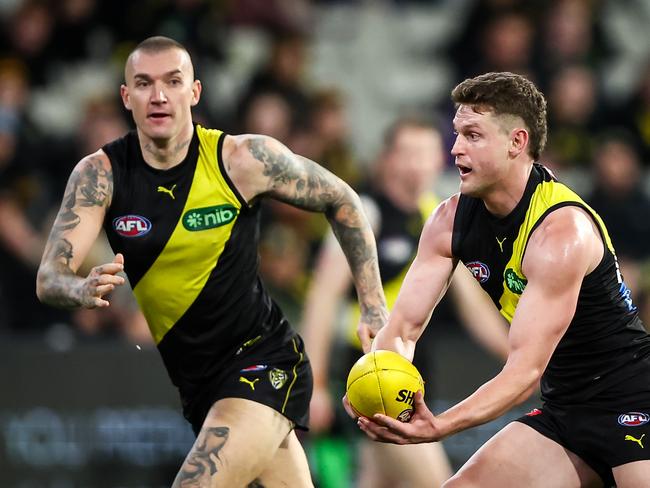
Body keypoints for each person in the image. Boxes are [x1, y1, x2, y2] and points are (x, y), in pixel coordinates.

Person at [36, 36, 388, 488]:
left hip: (263, 360)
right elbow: (50, 278)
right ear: (126, 97)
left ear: (195, 92)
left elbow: (344, 200)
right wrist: (79, 289)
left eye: (173, 82)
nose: (159, 95)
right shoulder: (100, 175)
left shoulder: (241, 159)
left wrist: (374, 305)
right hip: (200, 384)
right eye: (144, 83)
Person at [351, 72, 650, 488]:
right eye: (456, 134)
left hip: (635, 398)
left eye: (473, 135)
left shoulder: (561, 233)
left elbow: (524, 372)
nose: (454, 149)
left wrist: (440, 426)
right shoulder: (448, 221)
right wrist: (373, 382)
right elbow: (402, 329)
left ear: (517, 143)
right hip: (565, 409)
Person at [302, 117, 509, 488]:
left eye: (426, 153)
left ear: (439, 161)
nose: (417, 163)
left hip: (414, 375)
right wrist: (314, 385)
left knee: (378, 480)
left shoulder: (441, 218)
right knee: (437, 482)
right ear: (388, 159)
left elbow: (472, 306)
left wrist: (520, 357)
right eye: (408, 153)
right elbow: (321, 299)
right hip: (373, 377)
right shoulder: (365, 214)